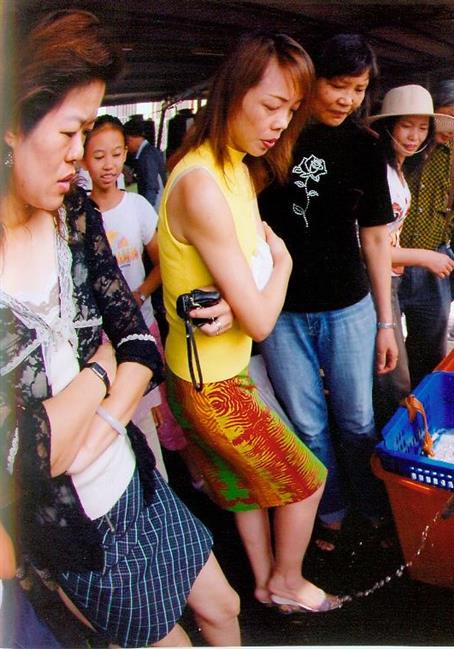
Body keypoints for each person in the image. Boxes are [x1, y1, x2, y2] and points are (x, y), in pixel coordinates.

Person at [0, 10, 241, 645]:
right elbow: (30, 455)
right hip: (78, 537)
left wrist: (102, 414)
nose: (79, 157)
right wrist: (104, 367)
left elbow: (137, 340)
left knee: (224, 607)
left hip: (136, 477)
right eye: (70, 132)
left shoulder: (73, 213)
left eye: (87, 134)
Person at [160, 30, 338, 613]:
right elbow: (262, 319)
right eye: (271, 105)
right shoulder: (202, 185)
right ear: (232, 92)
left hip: (212, 371)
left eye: (291, 110)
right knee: (307, 480)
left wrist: (239, 298)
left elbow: (242, 274)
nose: (280, 124)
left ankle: (265, 584)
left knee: (244, 490)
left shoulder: (235, 167)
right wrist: (282, 265)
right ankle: (287, 581)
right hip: (212, 385)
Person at [257, 33, 397, 553]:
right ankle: (330, 509)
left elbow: (376, 237)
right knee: (308, 424)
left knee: (358, 418)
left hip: (348, 307)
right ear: (310, 80)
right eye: (338, 85)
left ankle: (372, 504)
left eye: (358, 89)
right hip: (281, 310)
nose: (348, 100)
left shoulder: (367, 146)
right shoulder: (275, 137)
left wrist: (385, 322)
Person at [82, 114, 173, 481]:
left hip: (143, 327)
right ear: (82, 158)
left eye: (116, 154)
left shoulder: (137, 208)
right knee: (118, 422)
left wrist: (139, 293)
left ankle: (167, 483)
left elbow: (162, 263)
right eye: (98, 156)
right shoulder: (78, 215)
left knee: (156, 416)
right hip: (102, 343)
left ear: (126, 155)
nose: (109, 165)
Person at [368, 84, 454, 426]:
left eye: (422, 128)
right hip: (373, 282)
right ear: (388, 126)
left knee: (394, 368)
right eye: (406, 126)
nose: (414, 136)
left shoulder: (398, 169)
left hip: (388, 277)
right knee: (393, 376)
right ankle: (390, 440)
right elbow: (368, 246)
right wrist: (423, 257)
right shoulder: (380, 171)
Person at [398, 78, 454, 385]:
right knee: (386, 348)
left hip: (436, 263)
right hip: (392, 262)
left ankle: (421, 399)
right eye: (450, 119)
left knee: (430, 343)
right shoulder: (402, 147)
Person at [123, 117, 166, 211]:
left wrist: (146, 210)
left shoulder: (147, 156)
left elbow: (152, 187)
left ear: (130, 139)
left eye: (126, 142)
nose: (127, 147)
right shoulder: (149, 152)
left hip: (155, 209)